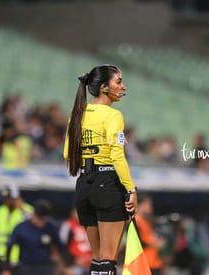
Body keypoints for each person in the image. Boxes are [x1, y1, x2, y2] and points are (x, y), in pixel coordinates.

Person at [63, 64, 137, 275]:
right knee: (108, 259)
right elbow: (117, 155)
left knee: (97, 260)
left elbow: (68, 153)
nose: (123, 87)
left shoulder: (77, 113)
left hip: (83, 185)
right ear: (104, 87)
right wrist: (131, 189)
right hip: (107, 183)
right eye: (119, 81)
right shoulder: (113, 116)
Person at [2, 199, 65, 275]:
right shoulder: (21, 228)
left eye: (43, 220)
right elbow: (9, 247)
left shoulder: (51, 227)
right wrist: (6, 269)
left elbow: (59, 247)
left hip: (46, 267)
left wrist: (61, 264)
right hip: (25, 267)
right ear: (33, 214)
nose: (40, 223)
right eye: (38, 219)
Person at [0, 185, 33, 273]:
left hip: (19, 259)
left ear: (15, 198)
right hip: (1, 258)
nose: (5, 202)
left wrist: (21, 208)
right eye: (4, 199)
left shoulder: (27, 211)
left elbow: (32, 230)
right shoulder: (0, 211)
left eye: (8, 199)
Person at [134, 194, 165, 275]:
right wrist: (154, 244)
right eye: (148, 204)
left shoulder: (147, 222)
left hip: (154, 263)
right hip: (142, 264)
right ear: (139, 205)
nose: (150, 207)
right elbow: (134, 243)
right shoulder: (135, 222)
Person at [59, 208, 92, 275]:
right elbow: (62, 246)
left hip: (92, 263)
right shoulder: (68, 225)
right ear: (72, 213)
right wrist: (73, 260)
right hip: (74, 264)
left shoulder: (91, 225)